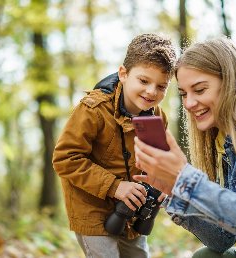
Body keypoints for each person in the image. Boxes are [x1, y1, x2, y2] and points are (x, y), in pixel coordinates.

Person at [133, 36, 236, 258]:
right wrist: (175, 191)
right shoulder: (228, 139)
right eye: (184, 94)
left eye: (199, 90)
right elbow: (222, 239)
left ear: (230, 83)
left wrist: (185, 178)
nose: (188, 103)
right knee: (205, 256)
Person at [52, 33, 177, 258]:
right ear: (123, 74)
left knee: (139, 254)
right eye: (144, 81)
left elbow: (157, 161)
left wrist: (161, 181)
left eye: (161, 86)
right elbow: (65, 159)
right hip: (92, 208)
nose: (152, 92)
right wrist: (115, 187)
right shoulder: (93, 110)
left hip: (131, 209)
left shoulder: (156, 117)